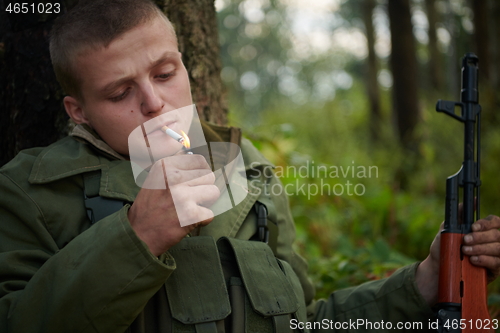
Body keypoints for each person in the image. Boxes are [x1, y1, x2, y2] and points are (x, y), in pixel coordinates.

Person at [0, 0, 499, 332]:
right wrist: (136, 238)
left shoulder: (249, 170)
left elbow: (304, 321)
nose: (154, 102)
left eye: (165, 73)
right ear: (78, 111)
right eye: (118, 92)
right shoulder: (28, 190)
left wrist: (422, 285)